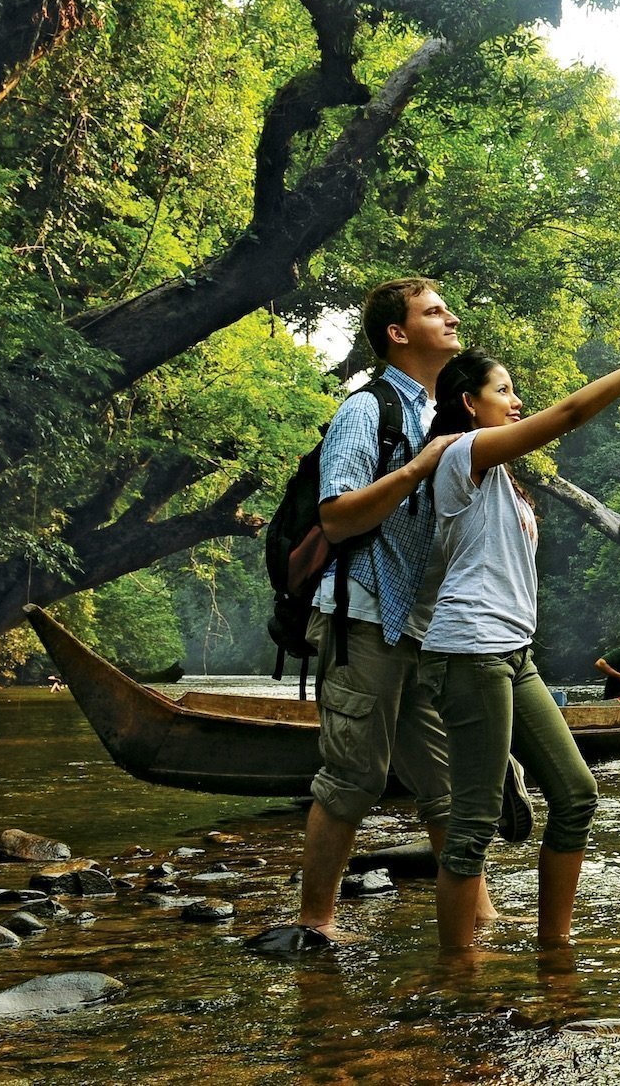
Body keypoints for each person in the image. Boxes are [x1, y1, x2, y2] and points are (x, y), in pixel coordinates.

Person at [417, 324, 620, 954]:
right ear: (471, 403)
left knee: (575, 794)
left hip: (511, 655)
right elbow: (571, 413)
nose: (516, 401)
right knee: (472, 826)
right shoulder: (463, 453)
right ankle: (456, 979)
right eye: (505, 390)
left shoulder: (503, 478)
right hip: (469, 651)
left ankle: (555, 955)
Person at [250, 278, 469, 956]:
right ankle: (315, 922)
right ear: (398, 334)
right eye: (434, 311)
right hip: (361, 615)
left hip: (416, 626)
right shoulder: (366, 410)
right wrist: (418, 468)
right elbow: (336, 515)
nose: (451, 316)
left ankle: (476, 922)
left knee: (446, 785)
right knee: (353, 779)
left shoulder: (438, 413)